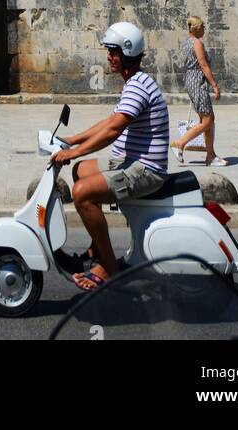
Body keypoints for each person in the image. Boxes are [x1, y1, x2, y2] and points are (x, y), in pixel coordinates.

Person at [51, 20, 169, 291]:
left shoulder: (138, 85)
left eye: (113, 52)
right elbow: (109, 121)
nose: (109, 57)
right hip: (131, 161)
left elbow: (113, 131)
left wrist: (73, 151)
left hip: (145, 170)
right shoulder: (134, 82)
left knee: (82, 193)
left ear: (127, 53)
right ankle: (95, 250)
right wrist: (72, 140)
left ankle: (109, 267)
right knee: (81, 170)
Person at [170, 15, 227, 166]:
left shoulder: (187, 43)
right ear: (196, 28)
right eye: (202, 26)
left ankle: (210, 155)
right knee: (207, 120)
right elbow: (203, 64)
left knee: (208, 120)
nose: (204, 29)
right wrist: (214, 85)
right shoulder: (197, 43)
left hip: (192, 80)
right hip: (198, 81)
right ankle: (179, 143)